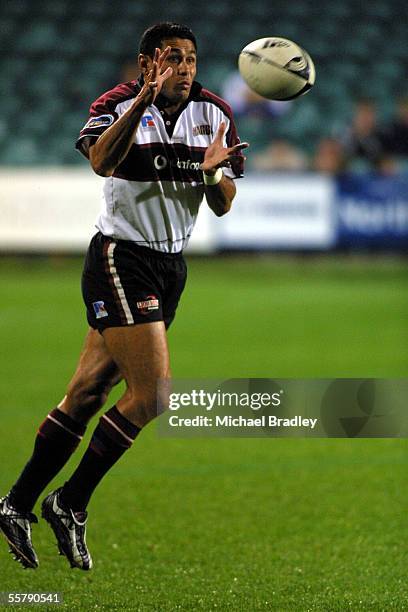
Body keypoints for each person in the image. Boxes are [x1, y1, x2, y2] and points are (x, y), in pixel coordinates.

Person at [0, 22, 247, 571]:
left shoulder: (216, 116)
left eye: (190, 60)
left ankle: (15, 504)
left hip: (170, 267)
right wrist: (141, 101)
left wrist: (212, 176)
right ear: (147, 63)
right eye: (171, 59)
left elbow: (225, 202)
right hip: (121, 258)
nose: (183, 69)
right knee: (154, 396)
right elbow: (102, 161)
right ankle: (70, 501)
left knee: (88, 394)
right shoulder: (116, 105)